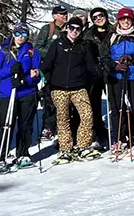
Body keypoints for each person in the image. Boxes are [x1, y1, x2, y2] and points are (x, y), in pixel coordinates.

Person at [40, 16, 102, 164]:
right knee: (63, 120)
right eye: (72, 28)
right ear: (67, 27)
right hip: (59, 88)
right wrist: (49, 80)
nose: (75, 31)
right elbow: (47, 64)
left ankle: (83, 146)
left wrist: (101, 72)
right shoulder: (58, 43)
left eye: (78, 29)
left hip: (78, 87)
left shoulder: (84, 46)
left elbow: (91, 66)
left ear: (81, 30)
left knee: (87, 115)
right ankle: (65, 149)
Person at [0, 24, 42, 174]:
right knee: (6, 125)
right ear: (13, 34)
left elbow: (37, 74)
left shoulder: (31, 52)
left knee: (26, 125)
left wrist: (27, 80)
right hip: (8, 93)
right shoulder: (4, 52)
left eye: (24, 34)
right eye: (17, 33)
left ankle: (23, 154)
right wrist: (9, 71)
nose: (20, 37)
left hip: (27, 93)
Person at [102, 8, 134, 153]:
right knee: (117, 108)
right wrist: (115, 65)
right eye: (123, 19)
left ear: (132, 20)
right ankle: (119, 138)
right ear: (118, 20)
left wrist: (132, 59)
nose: (125, 22)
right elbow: (104, 56)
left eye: (128, 19)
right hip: (115, 77)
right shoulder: (111, 36)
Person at [34, 5, 68, 142]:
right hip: (49, 70)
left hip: (65, 70)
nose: (64, 16)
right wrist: (53, 55)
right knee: (49, 99)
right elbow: (37, 48)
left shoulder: (69, 29)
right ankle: (48, 127)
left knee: (64, 99)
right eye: (61, 14)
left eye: (65, 13)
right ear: (54, 16)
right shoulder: (47, 29)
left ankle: (63, 127)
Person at [84, 7, 113, 148]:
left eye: (100, 15)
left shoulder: (114, 31)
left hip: (112, 72)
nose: (98, 19)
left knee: (115, 102)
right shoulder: (88, 34)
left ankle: (122, 130)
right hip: (94, 75)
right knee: (94, 104)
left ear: (106, 16)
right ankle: (97, 133)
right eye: (94, 17)